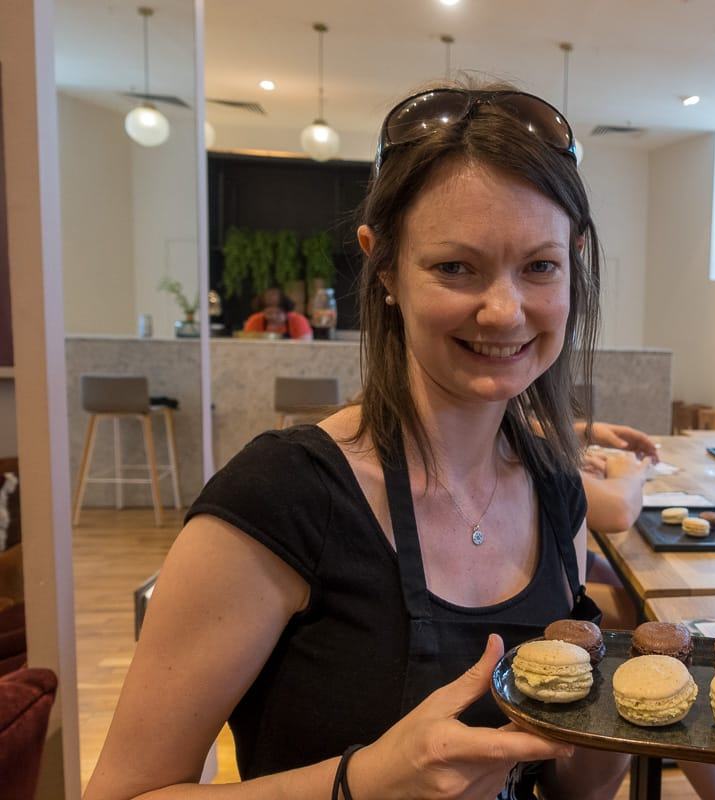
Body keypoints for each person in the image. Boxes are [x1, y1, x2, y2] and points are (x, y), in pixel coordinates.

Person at [85, 82, 629, 800]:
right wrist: (364, 779)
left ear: (575, 260)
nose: (504, 311)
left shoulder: (559, 496)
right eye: (455, 267)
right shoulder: (283, 497)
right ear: (383, 265)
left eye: (539, 266)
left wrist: (618, 715)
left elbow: (573, 789)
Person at [242, 286, 314, 340]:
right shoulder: (255, 321)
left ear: (286, 312)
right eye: (269, 313)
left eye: (278, 313)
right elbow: (249, 345)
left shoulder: (298, 321)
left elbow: (305, 346)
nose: (273, 316)